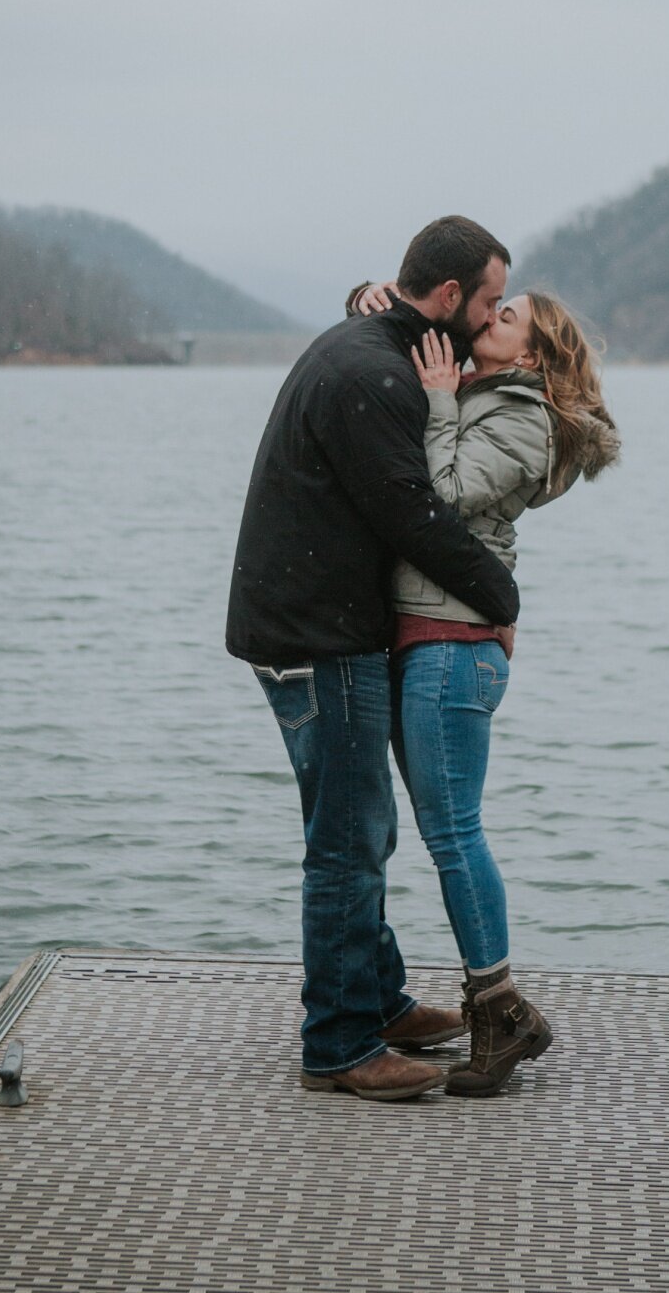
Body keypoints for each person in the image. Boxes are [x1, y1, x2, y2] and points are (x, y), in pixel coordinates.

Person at [226, 216, 522, 1102]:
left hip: (297, 621)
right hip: (321, 636)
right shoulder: (379, 374)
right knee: (348, 842)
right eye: (492, 302)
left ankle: (379, 1001)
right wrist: (501, 597)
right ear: (445, 300)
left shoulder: (368, 343)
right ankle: (340, 1043)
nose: (495, 316)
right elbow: (411, 514)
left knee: (362, 827)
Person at [355, 285, 619, 1095]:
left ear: (533, 355)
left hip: (453, 648)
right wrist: (367, 300)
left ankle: (501, 1010)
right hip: (434, 640)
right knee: (441, 832)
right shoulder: (478, 389)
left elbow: (447, 495)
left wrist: (437, 401)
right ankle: (479, 1003)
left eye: (509, 317)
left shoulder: (525, 420)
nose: (490, 318)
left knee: (455, 835)